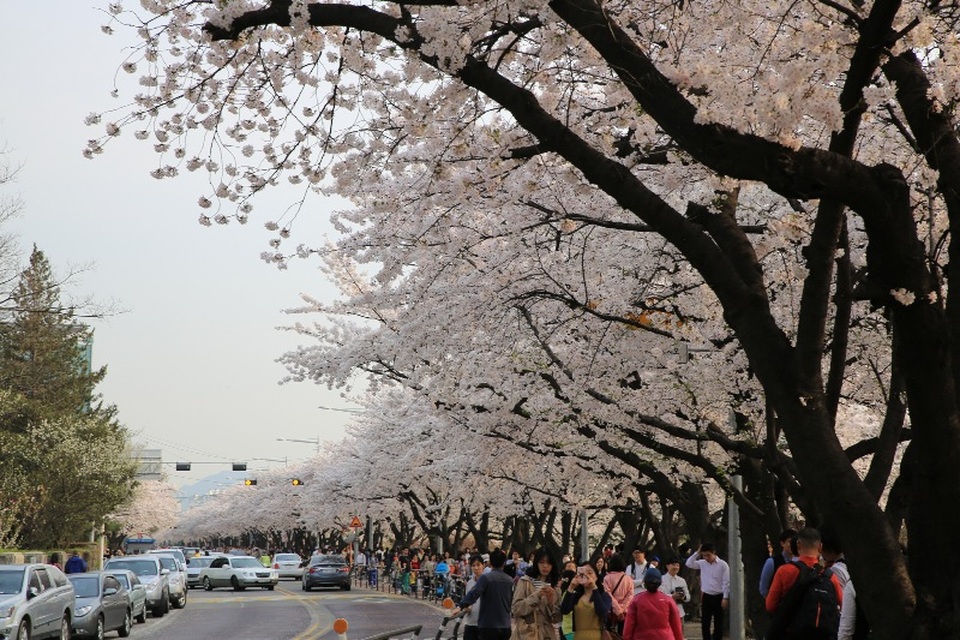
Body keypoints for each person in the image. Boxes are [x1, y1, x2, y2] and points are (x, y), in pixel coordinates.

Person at [766, 527, 843, 639]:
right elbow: (841, 605)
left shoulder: (785, 571)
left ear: (798, 544)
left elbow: (770, 606)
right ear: (820, 547)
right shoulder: (830, 577)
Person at [455, 549, 515, 640]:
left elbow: (474, 593)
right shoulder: (510, 580)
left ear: (490, 563)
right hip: (505, 624)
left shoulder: (486, 578)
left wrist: (460, 606)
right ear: (504, 563)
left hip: (488, 625)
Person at [512, 548, 561, 640]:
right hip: (526, 634)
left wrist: (551, 603)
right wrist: (536, 596)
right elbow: (516, 609)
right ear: (536, 563)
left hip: (547, 635)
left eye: (549, 563)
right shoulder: (525, 582)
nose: (545, 566)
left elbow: (557, 619)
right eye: (542, 562)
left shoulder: (555, 587)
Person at [622, 567, 684, 640]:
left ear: (645, 582)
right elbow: (676, 625)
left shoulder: (636, 600)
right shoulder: (668, 600)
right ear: (660, 582)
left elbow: (629, 625)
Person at [685, 543, 729, 640]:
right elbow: (689, 563)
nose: (706, 557)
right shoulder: (702, 563)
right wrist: (697, 553)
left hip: (719, 596)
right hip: (707, 596)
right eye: (704, 555)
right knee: (705, 622)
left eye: (708, 555)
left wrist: (725, 597)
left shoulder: (723, 565)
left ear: (714, 553)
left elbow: (726, 582)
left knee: (718, 622)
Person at [560, 561, 612, 640]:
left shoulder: (604, 596)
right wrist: (571, 587)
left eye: (590, 573)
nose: (587, 576)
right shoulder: (577, 596)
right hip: (578, 635)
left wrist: (594, 587)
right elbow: (564, 610)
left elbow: (601, 611)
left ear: (596, 577)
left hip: (596, 636)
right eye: (583, 574)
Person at [759, 529, 798, 598]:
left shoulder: (800, 562)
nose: (793, 545)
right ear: (782, 543)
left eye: (795, 542)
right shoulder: (772, 562)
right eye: (789, 541)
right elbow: (763, 589)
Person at [603, 555, 633, 633]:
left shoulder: (607, 578)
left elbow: (608, 595)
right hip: (624, 613)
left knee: (609, 635)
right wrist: (622, 609)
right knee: (622, 634)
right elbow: (630, 596)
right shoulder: (628, 579)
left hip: (611, 612)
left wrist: (617, 609)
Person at [462, 554, 485, 640]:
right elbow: (468, 600)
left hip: (484, 624)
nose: (476, 568)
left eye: (478, 565)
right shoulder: (469, 583)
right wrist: (466, 608)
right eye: (473, 565)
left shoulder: (488, 582)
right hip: (470, 623)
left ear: (483, 565)